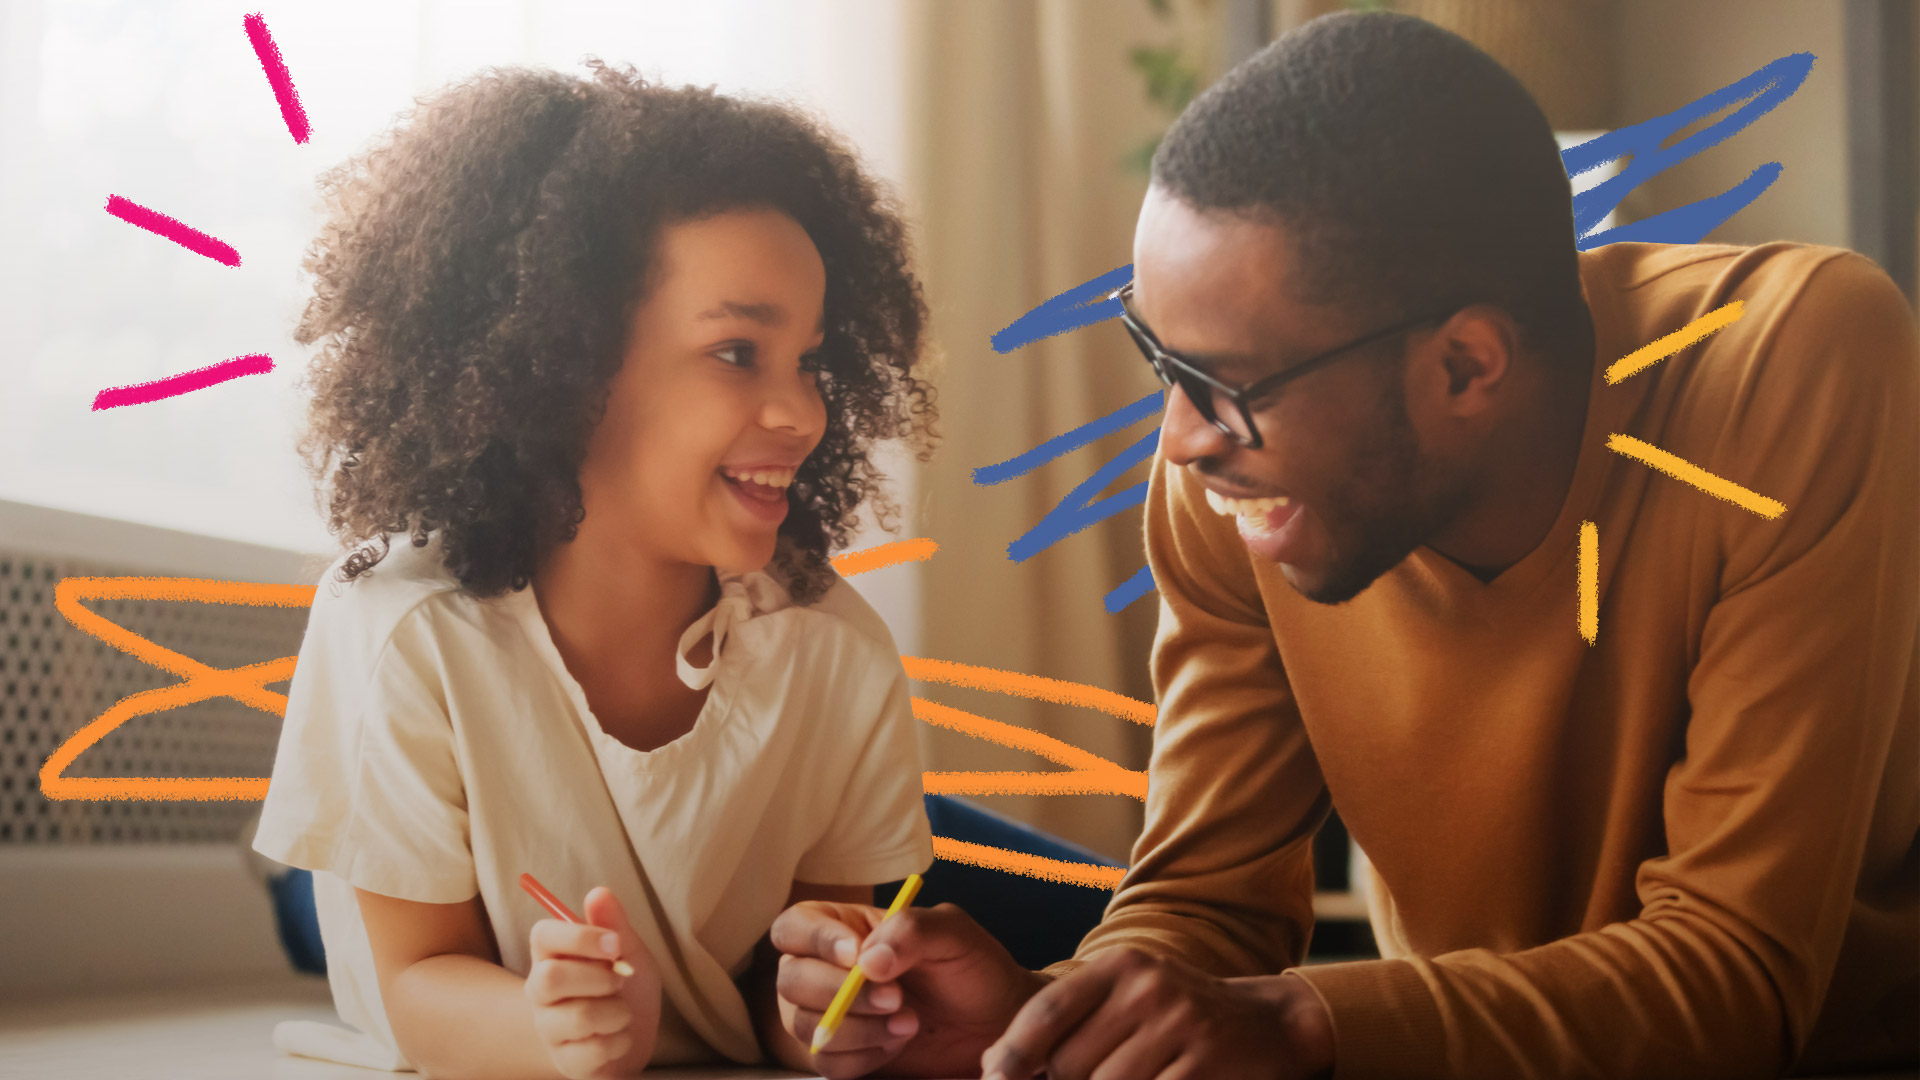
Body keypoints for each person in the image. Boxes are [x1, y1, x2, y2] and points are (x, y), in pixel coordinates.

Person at [770, 13, 1918, 1080]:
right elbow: (1204, 911)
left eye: (1219, 384)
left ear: (1467, 365)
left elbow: (1742, 977)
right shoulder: (1235, 487)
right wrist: (1046, 1014)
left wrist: (1305, 1017)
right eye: (1159, 361)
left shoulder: (1790, 363)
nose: (1179, 442)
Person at [252, 62, 938, 1079]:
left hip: (702, 870)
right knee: (326, 913)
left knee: (1087, 923)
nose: (805, 413)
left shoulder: (837, 654)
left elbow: (783, 989)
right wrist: (548, 1032)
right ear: (562, 368)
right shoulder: (401, 628)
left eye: (810, 359)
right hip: (434, 872)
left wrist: (823, 1011)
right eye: (740, 352)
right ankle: (297, 875)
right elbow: (420, 982)